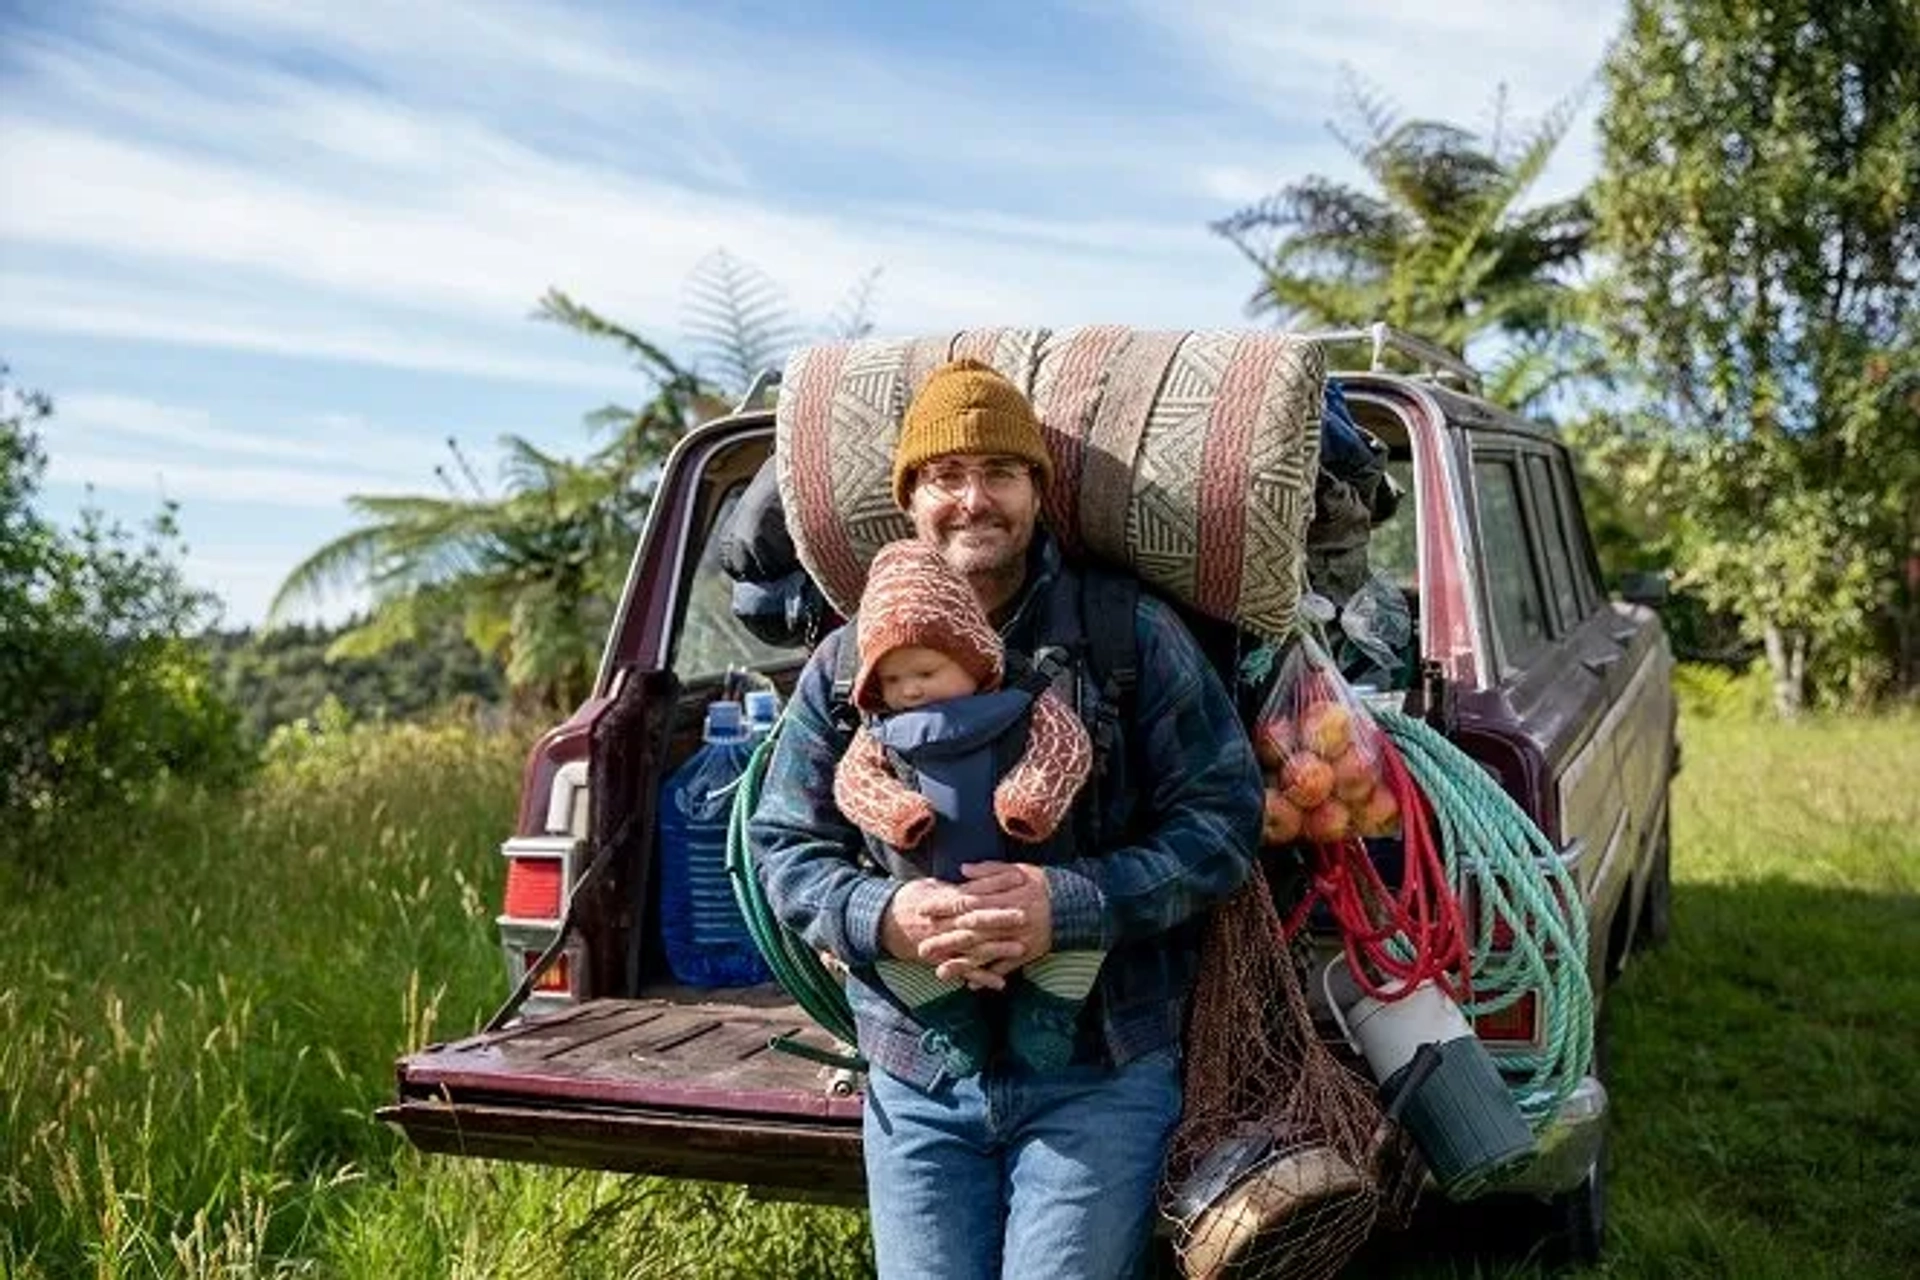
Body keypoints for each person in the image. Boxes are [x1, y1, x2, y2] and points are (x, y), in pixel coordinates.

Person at [751, 356, 1264, 1279]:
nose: (972, 499)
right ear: (911, 498)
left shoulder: (1128, 636)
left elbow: (1224, 823)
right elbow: (781, 843)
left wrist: (1069, 903)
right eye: (945, 476)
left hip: (1100, 1069)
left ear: (1038, 489)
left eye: (1000, 472)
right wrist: (883, 918)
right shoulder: (844, 665)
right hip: (917, 1073)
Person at [832, 537, 1098, 1076]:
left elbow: (1064, 747)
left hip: (1032, 890)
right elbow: (853, 781)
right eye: (892, 679)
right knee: (893, 961)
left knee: (1083, 942)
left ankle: (1047, 1015)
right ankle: (950, 1020)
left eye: (925, 672)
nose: (909, 691)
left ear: (973, 661)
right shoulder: (880, 732)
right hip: (924, 909)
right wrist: (897, 813)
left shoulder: (1023, 703)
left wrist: (1030, 798)